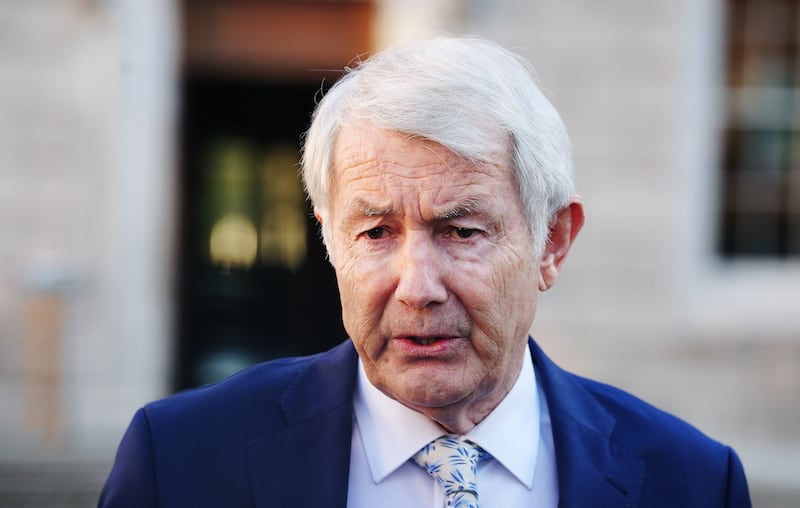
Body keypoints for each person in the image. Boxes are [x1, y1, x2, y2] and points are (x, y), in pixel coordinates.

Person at [98, 36, 751, 507]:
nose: (416, 287)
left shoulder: (692, 483)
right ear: (330, 243)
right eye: (376, 232)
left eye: (461, 231)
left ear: (552, 242)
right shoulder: (178, 463)